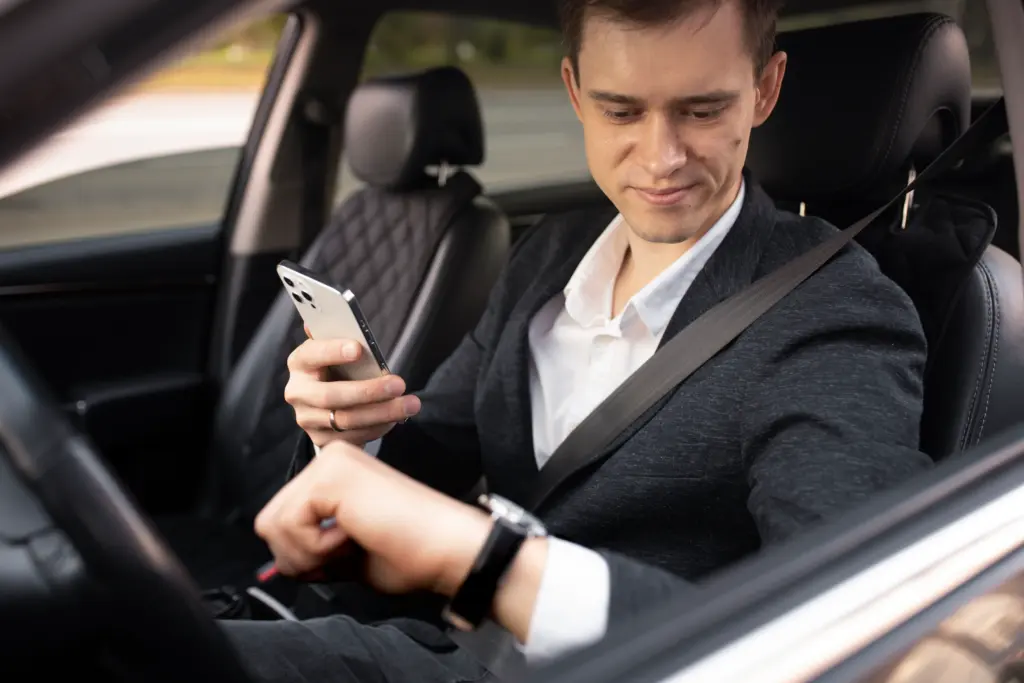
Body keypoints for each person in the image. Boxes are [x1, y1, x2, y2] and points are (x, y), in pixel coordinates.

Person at [223, 0, 934, 680]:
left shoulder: (835, 314)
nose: (661, 157)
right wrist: (353, 436)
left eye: (702, 110)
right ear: (574, 91)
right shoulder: (549, 254)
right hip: (439, 644)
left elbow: (849, 622)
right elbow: (439, 441)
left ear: (765, 90)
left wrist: (488, 560)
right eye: (621, 110)